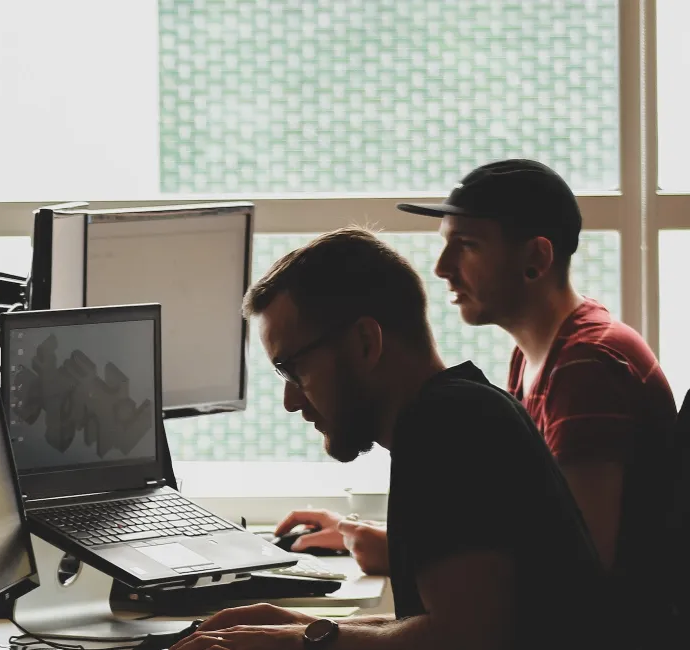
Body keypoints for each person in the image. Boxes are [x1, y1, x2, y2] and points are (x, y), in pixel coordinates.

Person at [173, 228, 604, 650]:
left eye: (293, 370)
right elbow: (447, 623)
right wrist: (304, 625)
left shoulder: (447, 427)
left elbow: (465, 640)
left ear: (365, 342)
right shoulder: (462, 410)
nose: (289, 401)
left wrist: (303, 641)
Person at [279, 160, 679, 611]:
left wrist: (397, 551)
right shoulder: (536, 356)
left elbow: (580, 565)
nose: (442, 268)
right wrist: (374, 537)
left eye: (466, 246)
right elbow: (528, 533)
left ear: (536, 260)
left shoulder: (586, 366)